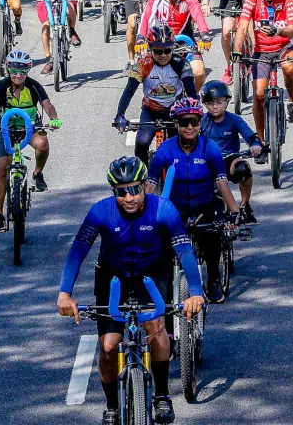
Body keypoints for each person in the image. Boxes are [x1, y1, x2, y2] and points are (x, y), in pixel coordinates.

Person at [57, 156, 205, 425]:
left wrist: (195, 292)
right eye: (121, 192)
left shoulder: (164, 209)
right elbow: (78, 251)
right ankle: (112, 405)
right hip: (112, 278)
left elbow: (184, 250)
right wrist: (65, 293)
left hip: (151, 275)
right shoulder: (100, 212)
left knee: (156, 326)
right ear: (114, 192)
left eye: (135, 189)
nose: (129, 197)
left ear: (143, 187)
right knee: (109, 347)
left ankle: (161, 395)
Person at [145, 98, 241, 303]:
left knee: (212, 238)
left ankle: (213, 281)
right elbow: (151, 184)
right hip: (175, 208)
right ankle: (167, 283)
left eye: (195, 122)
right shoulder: (166, 150)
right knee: (162, 245)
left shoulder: (210, 148)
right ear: (176, 124)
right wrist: (143, 212)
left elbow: (222, 183)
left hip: (205, 204)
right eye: (184, 122)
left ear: (200, 123)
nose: (190, 127)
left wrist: (234, 212)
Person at [0, 51, 62, 232]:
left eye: (22, 71)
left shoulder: (34, 86)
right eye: (14, 71)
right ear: (8, 70)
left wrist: (54, 118)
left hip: (30, 128)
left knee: (43, 143)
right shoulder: (2, 86)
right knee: (2, 170)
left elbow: (47, 105)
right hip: (6, 129)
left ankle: (37, 173)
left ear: (28, 70)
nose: (18, 75)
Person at [233, 0, 293, 149]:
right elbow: (241, 28)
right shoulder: (251, 1)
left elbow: (292, 30)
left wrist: (277, 30)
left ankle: (292, 101)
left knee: (289, 68)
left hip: (283, 45)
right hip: (261, 50)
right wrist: (237, 51)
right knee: (258, 95)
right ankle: (262, 142)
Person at [115, 23, 199, 166]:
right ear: (150, 49)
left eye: (167, 50)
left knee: (187, 143)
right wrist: (120, 115)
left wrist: (197, 112)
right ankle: (145, 177)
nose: (163, 55)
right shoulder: (142, 65)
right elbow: (129, 91)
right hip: (151, 110)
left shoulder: (181, 63)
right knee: (142, 142)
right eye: (158, 51)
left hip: (176, 110)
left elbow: (191, 91)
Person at [137, 0, 212, 91]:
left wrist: (205, 35)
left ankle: (192, 99)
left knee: (199, 72)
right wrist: (140, 39)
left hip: (185, 41)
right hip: (161, 43)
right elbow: (145, 19)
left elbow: (199, 17)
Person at [200, 80, 263, 223]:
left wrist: (255, 145)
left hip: (229, 160)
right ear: (205, 104)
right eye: (210, 103)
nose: (215, 106)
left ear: (227, 101)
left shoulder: (234, 119)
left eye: (219, 102)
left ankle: (245, 205)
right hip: (207, 162)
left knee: (243, 168)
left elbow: (251, 136)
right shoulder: (202, 121)